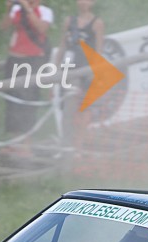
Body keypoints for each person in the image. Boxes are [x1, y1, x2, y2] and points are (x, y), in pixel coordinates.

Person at [1, 0, 54, 139]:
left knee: (28, 98)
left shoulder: (45, 11)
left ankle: (26, 141)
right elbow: (4, 27)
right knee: (12, 99)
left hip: (33, 60)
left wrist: (27, 8)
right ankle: (13, 140)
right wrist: (8, 9)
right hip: (14, 58)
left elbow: (41, 28)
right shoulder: (17, 10)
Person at [55, 0, 105, 143]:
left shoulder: (97, 23)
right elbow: (62, 46)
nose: (83, 2)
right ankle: (67, 143)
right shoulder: (69, 21)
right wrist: (56, 68)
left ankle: (79, 144)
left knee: (85, 108)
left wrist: (95, 72)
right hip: (68, 70)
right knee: (67, 108)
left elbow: (99, 50)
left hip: (86, 70)